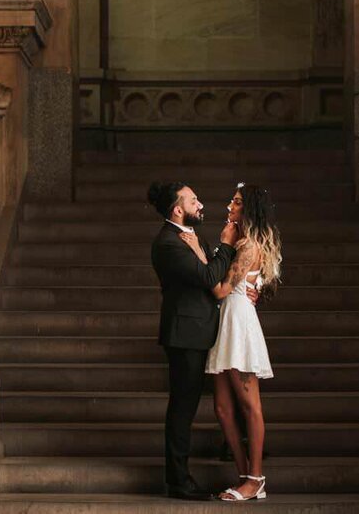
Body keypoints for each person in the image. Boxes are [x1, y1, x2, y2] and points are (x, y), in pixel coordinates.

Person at [147, 181, 255, 501]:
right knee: (183, 407)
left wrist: (248, 285)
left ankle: (233, 447)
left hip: (208, 329)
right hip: (185, 336)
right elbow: (209, 276)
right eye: (193, 200)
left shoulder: (193, 236)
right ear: (178, 209)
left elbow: (217, 279)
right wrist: (226, 245)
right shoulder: (167, 243)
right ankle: (178, 480)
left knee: (222, 397)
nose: (200, 204)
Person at [182, 182, 281, 503]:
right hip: (224, 323)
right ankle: (244, 478)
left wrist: (198, 250)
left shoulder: (249, 245)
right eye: (231, 201)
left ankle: (256, 478)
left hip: (239, 324)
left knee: (250, 405)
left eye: (236, 203)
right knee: (223, 408)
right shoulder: (237, 240)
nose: (229, 206)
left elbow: (221, 290)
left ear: (248, 209)